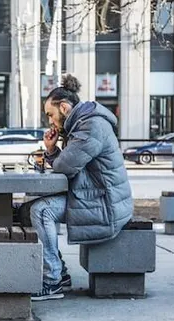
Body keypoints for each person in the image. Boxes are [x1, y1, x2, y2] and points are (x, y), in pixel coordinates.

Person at [20, 74, 133, 301]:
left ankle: (53, 281)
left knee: (41, 211)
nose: (51, 121)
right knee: (31, 207)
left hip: (105, 203)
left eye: (51, 115)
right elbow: (69, 166)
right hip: (96, 195)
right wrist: (54, 147)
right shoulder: (82, 124)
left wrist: (51, 150)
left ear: (64, 107)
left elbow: (65, 167)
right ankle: (59, 274)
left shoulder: (92, 126)